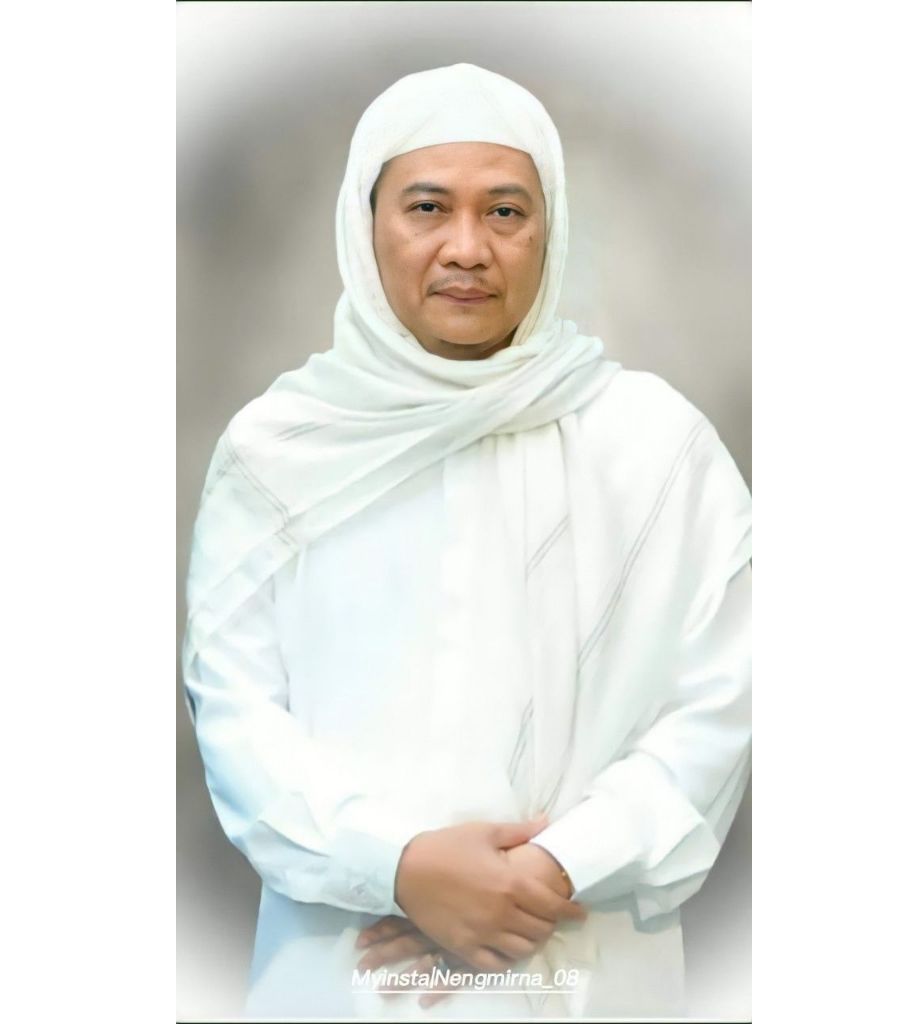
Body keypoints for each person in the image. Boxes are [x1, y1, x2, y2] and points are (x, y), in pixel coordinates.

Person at [181, 62, 752, 1020]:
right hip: (346, 970)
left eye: (505, 212)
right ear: (365, 224)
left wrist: (550, 871)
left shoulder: (656, 446)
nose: (467, 248)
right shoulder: (277, 453)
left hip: (581, 959)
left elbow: (726, 697)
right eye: (427, 208)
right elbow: (236, 718)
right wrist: (399, 868)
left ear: (550, 230)